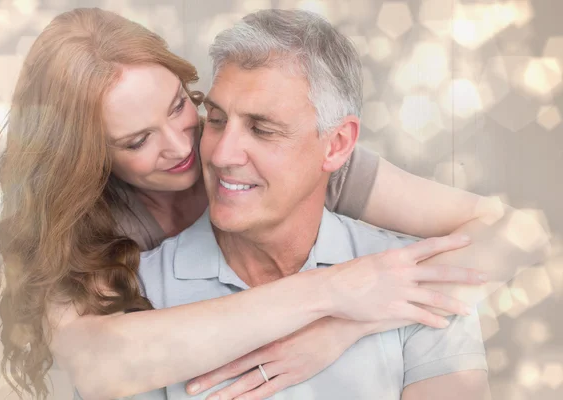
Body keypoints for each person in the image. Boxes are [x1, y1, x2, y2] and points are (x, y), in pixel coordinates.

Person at [0, 7, 548, 400]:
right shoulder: (90, 232)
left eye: (185, 107)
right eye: (137, 142)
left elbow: (517, 232)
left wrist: (340, 326)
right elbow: (101, 365)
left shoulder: (321, 164)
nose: (189, 148)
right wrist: (329, 292)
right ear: (88, 158)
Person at [138, 9, 490, 399]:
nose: (222, 155)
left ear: (337, 144)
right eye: (217, 120)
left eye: (262, 129)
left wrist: (342, 326)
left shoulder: (417, 283)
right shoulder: (140, 292)